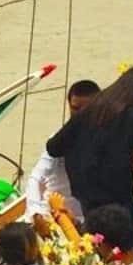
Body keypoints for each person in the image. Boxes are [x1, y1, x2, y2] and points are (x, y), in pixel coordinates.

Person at [44, 67, 133, 251]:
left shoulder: (89, 111)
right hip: (119, 197)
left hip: (88, 197)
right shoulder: (130, 114)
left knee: (100, 249)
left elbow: (53, 147)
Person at [22, 80, 101, 219]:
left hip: (90, 216)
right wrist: (35, 211)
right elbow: (36, 177)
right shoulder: (59, 140)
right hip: (55, 213)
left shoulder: (107, 138)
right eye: (75, 108)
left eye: (86, 109)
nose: (80, 115)